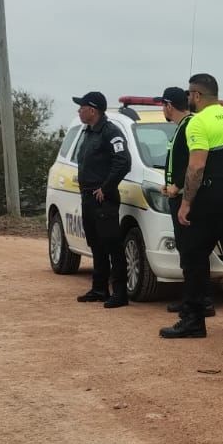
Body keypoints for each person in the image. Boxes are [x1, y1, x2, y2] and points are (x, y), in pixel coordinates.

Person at [160, 73, 223, 339]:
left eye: (190, 95)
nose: (188, 99)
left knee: (193, 256)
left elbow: (196, 166)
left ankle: (193, 319)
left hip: (207, 198)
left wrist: (185, 203)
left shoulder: (198, 123)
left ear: (196, 95)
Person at [71, 91, 131, 309]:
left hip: (103, 199)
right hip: (88, 197)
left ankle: (120, 293)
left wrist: (106, 187)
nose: (78, 110)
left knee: (112, 245)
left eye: (82, 107)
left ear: (93, 110)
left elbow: (123, 161)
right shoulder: (88, 132)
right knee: (96, 244)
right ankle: (99, 288)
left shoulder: (110, 132)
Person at [159, 85, 214, 319]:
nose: (163, 109)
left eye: (163, 105)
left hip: (185, 198)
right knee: (186, 250)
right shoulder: (181, 127)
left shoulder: (190, 126)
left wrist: (178, 187)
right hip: (176, 196)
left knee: (193, 252)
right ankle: (190, 298)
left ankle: (202, 301)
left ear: (169, 105)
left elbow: (194, 164)